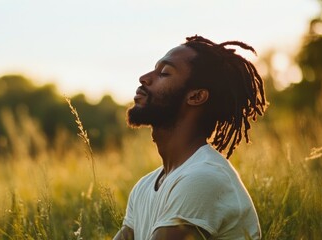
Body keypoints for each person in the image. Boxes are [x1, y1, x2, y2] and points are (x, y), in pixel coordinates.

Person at [113, 35, 267, 240]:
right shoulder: (144, 187)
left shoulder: (203, 178)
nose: (144, 78)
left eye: (164, 73)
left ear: (196, 97)